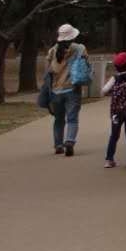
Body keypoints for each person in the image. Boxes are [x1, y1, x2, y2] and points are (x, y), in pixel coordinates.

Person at [45, 24, 90, 156]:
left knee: (58, 119)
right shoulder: (80, 48)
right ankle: (69, 141)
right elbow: (86, 65)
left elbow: (48, 71)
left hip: (56, 90)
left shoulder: (52, 51)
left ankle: (58, 145)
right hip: (73, 88)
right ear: (73, 36)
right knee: (72, 118)